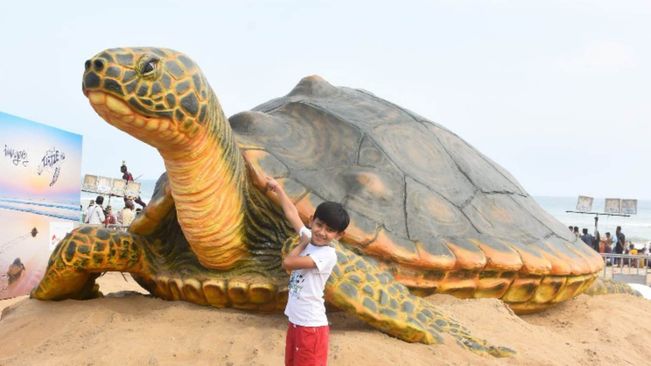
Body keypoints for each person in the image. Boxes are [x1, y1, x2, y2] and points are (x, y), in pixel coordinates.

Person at [266, 177, 349, 366]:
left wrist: (301, 243)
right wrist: (278, 189)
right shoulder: (310, 236)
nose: (321, 232)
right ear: (312, 220)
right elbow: (291, 213)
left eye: (330, 230)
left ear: (339, 235)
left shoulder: (327, 255)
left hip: (311, 328)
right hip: (296, 322)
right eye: (319, 225)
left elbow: (288, 262)